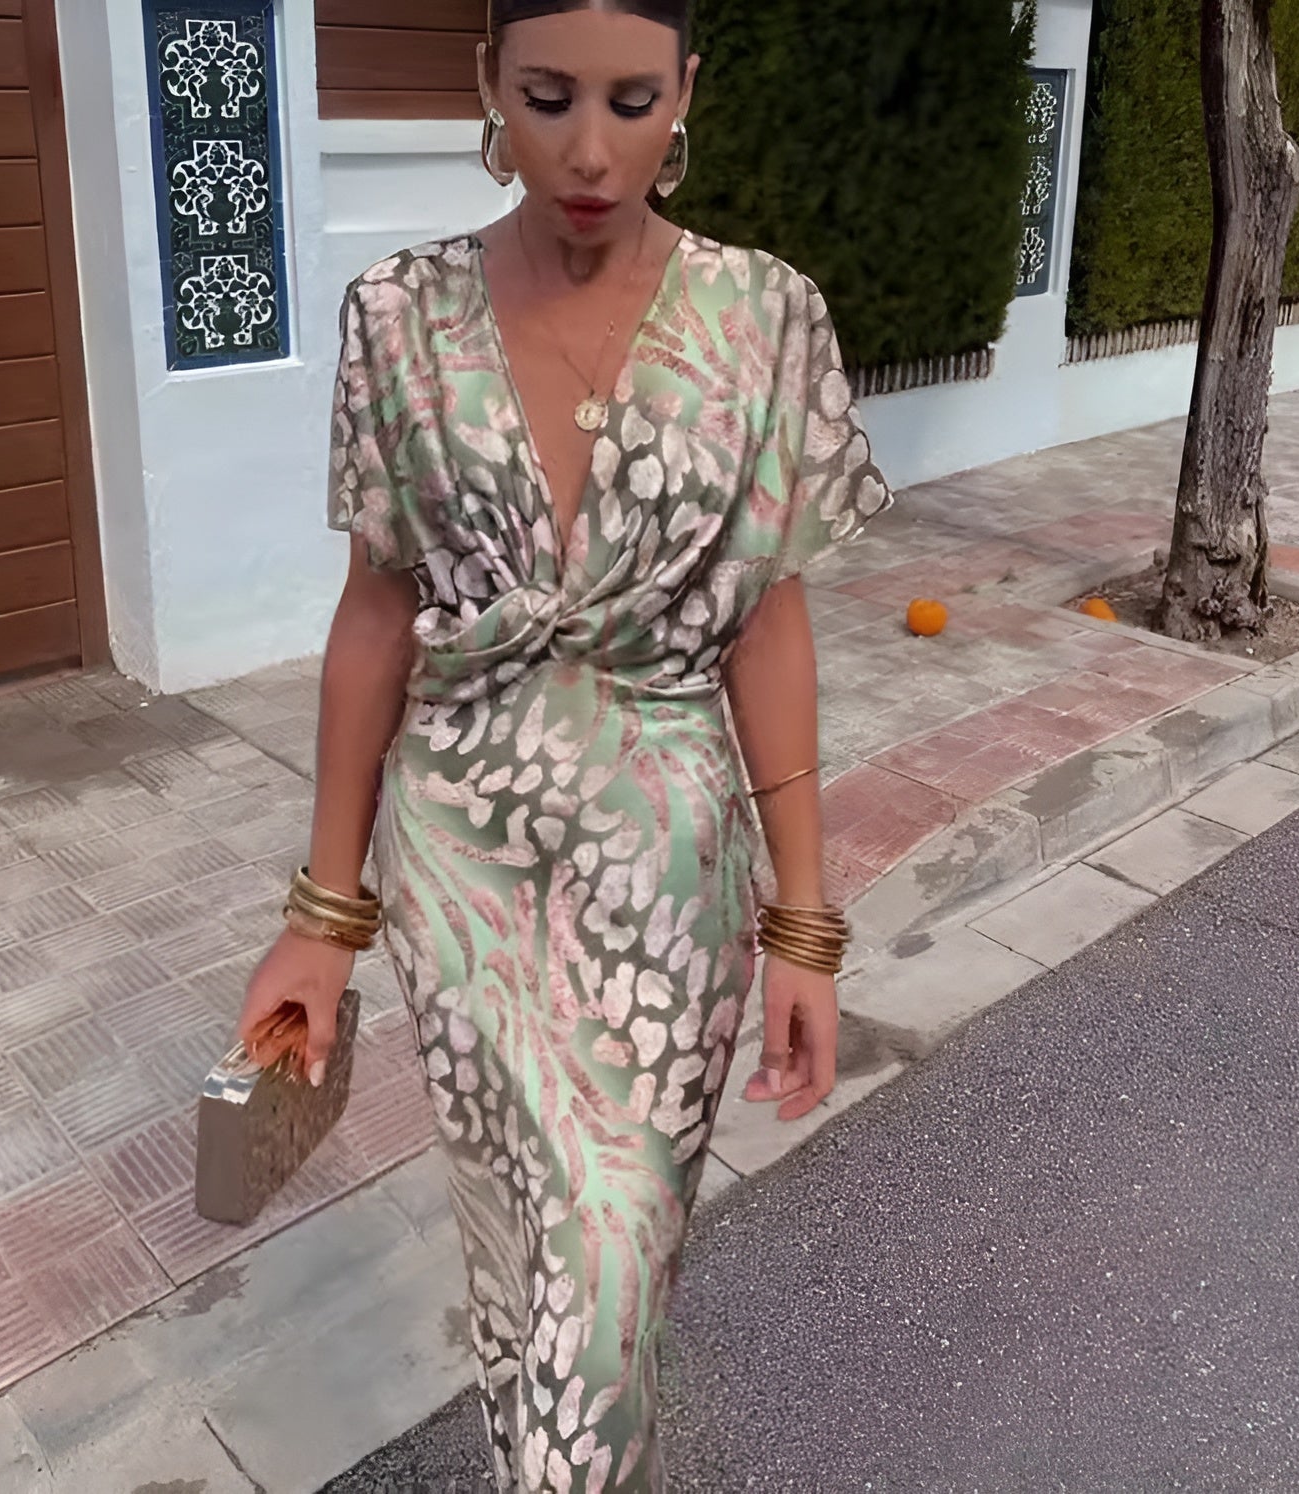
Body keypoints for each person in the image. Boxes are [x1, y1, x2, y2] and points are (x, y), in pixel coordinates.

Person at [237, 0, 893, 1487]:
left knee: (610, 1262)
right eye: (546, 98)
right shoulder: (396, 316)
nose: (590, 150)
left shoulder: (765, 316)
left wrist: (804, 923)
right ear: (487, 84)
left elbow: (766, 625)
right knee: (525, 1252)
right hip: (460, 858)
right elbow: (376, 612)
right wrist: (323, 919)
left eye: (631, 100)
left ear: (686, 92)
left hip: (668, 865)